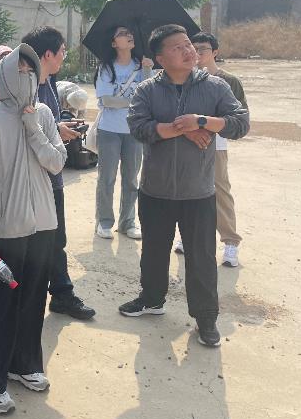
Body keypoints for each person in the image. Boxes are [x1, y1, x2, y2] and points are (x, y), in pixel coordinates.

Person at [121, 24, 249, 348]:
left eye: (188, 44)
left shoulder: (215, 87)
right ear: (161, 58)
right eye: (177, 47)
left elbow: (240, 123)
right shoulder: (147, 90)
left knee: (201, 259)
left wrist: (202, 121)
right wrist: (183, 129)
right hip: (156, 189)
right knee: (153, 251)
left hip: (198, 191)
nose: (188, 50)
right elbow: (138, 127)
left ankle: (206, 319)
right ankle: (152, 299)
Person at [0, 44, 67, 414]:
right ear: (5, 74)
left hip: (43, 225)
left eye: (31, 70)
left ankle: (24, 363)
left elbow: (57, 163)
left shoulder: (42, 113)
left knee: (33, 300)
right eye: (19, 69)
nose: (26, 76)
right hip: (7, 229)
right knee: (0, 306)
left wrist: (33, 129)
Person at [21, 26, 96, 320]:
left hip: (52, 176)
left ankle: (62, 294)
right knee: (34, 242)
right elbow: (25, 130)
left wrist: (60, 127)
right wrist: (56, 131)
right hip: (33, 179)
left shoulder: (49, 81)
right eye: (63, 51)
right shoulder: (24, 86)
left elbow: (46, 123)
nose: (65, 56)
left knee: (56, 239)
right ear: (48, 54)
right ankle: (32, 300)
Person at [185, 31, 248, 267]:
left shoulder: (229, 81)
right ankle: (186, 235)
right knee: (188, 188)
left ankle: (230, 242)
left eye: (202, 49)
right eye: (194, 48)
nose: (197, 53)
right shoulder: (186, 78)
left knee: (220, 190)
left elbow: (240, 117)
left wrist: (209, 125)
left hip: (217, 144)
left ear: (215, 52)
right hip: (188, 142)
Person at [93, 25, 153, 240]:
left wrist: (148, 70)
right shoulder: (106, 68)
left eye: (129, 33)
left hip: (134, 130)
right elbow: (106, 100)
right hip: (109, 129)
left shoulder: (142, 65)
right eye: (121, 34)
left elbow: (150, 95)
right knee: (107, 178)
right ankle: (104, 222)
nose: (128, 36)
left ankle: (127, 222)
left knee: (131, 179)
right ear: (113, 43)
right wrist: (135, 102)